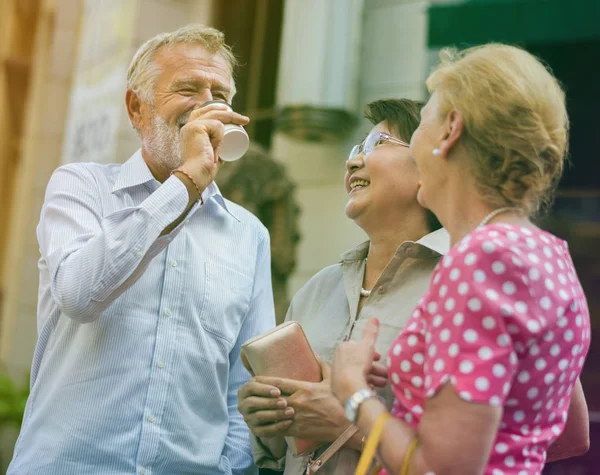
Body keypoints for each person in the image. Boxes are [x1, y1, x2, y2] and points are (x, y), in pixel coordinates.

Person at [8, 24, 275, 475]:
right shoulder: (81, 186)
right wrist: (186, 183)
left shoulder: (249, 235)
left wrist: (226, 464)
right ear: (138, 109)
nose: (208, 105)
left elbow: (243, 383)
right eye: (188, 89)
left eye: (220, 94)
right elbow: (78, 294)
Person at [331, 44, 591, 475]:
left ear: (451, 129)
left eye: (425, 117)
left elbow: (443, 468)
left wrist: (354, 392)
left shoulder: (479, 260)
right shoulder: (547, 251)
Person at [238, 98, 448, 475]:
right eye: (356, 150)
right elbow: (278, 454)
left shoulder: (462, 286)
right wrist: (268, 417)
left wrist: (352, 428)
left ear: (428, 166)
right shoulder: (317, 289)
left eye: (378, 144)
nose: (352, 162)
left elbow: (491, 448)